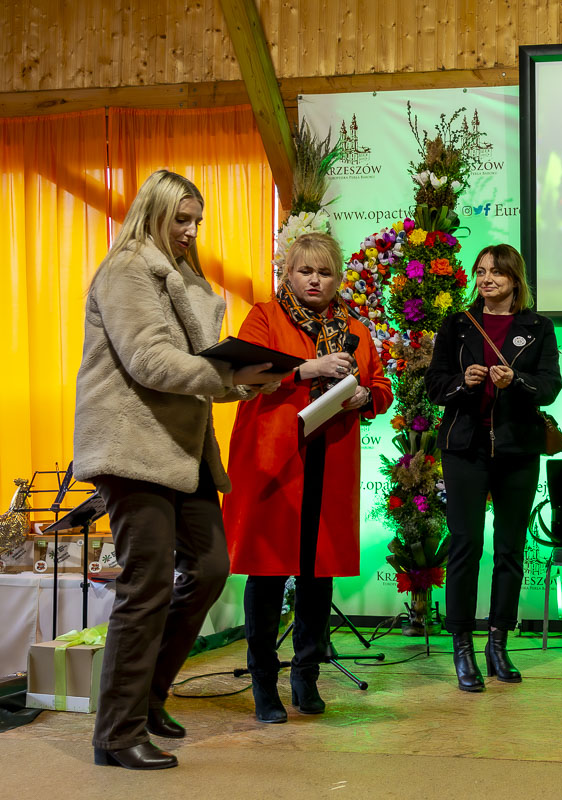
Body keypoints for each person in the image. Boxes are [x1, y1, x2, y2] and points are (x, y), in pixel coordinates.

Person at [74, 170, 285, 770]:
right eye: (181, 219)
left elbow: (193, 370)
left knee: (211, 567)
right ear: (153, 213)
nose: (191, 231)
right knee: (146, 584)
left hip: (182, 450)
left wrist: (246, 382)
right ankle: (117, 734)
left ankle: (147, 697)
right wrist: (229, 375)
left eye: (197, 220)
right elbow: (148, 359)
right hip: (131, 446)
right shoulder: (126, 269)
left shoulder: (187, 279)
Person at [223, 232, 393, 723]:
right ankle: (263, 682)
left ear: (338, 279)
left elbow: (381, 386)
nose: (315, 280)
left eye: (325, 272)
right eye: (305, 271)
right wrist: (308, 368)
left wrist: (365, 396)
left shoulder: (355, 329)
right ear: (288, 274)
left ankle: (307, 674)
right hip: (275, 460)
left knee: (318, 575)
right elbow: (243, 374)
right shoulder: (264, 317)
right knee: (269, 572)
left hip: (330, 458)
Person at [425, 243, 562, 692]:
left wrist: (516, 380)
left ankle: (498, 642)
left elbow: (550, 386)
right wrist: (462, 382)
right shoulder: (458, 324)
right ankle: (462, 646)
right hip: (464, 448)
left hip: (517, 449)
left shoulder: (538, 327)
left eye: (497, 272)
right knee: (465, 545)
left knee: (509, 549)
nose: (487, 279)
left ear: (515, 280)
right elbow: (434, 385)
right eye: (481, 271)